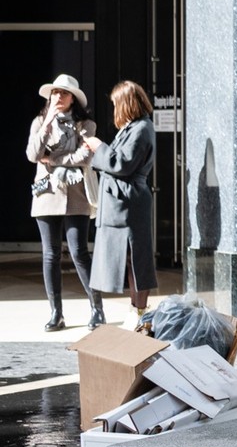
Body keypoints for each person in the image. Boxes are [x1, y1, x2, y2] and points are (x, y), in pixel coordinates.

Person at [26, 74, 104, 331]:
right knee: (50, 254)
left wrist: (54, 159)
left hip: (76, 194)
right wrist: (47, 123)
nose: (58, 97)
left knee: (79, 252)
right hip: (46, 192)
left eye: (64, 93)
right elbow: (33, 154)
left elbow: (84, 156)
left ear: (73, 99)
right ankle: (56, 313)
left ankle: (97, 309)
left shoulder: (86, 125)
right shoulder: (39, 122)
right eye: (55, 93)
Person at [82, 80, 158, 316]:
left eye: (116, 103)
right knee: (128, 259)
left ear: (126, 103)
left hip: (129, 204)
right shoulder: (133, 128)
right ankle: (137, 310)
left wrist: (98, 147)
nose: (115, 108)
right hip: (122, 203)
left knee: (136, 259)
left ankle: (140, 312)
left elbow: (122, 163)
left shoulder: (141, 128)